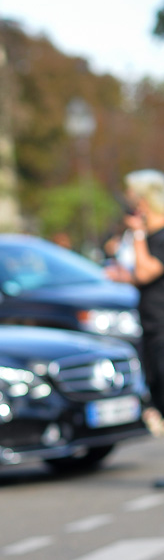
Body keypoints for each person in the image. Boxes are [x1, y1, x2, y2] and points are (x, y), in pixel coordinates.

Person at [105, 170, 164, 477]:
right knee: (157, 391)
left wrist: (138, 233)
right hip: (151, 323)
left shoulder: (160, 235)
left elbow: (146, 273)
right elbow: (139, 276)